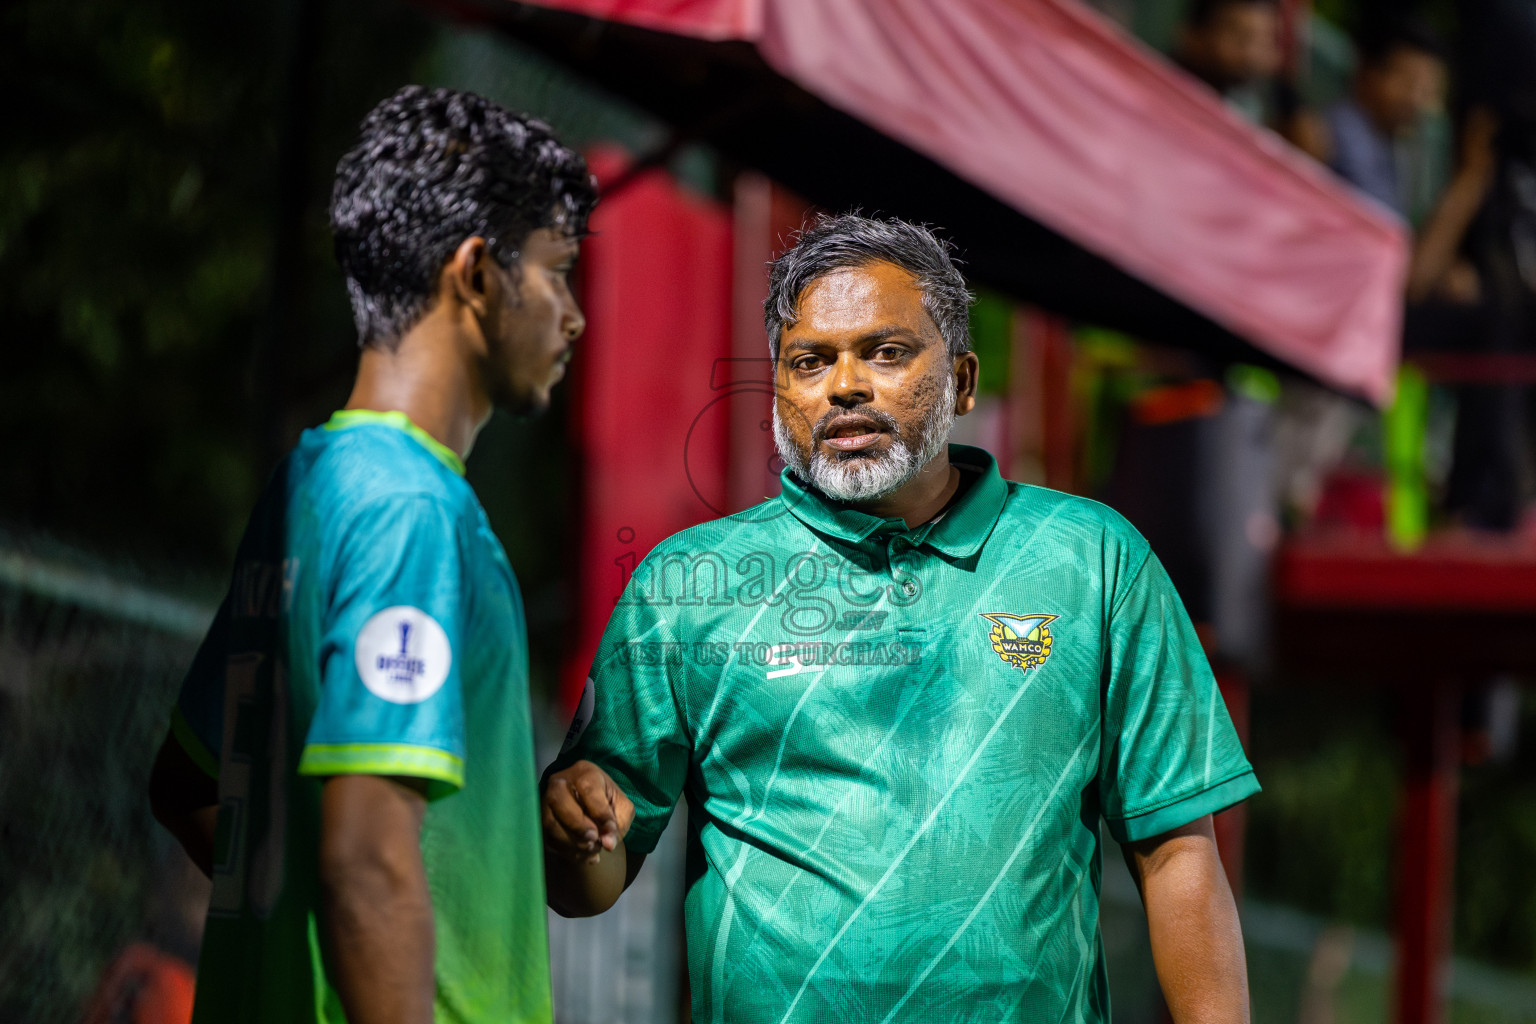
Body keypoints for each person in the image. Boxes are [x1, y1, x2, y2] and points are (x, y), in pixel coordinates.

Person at [542, 215, 1259, 1022]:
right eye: (809, 361)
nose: (843, 385)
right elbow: (585, 890)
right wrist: (573, 829)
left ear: (962, 379)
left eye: (885, 352)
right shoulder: (689, 584)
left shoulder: (1096, 560)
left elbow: (1176, 857)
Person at [147, 85, 595, 1024]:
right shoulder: (411, 509)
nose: (575, 316)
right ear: (476, 274)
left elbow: (189, 783)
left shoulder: (311, 486)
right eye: (558, 272)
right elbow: (367, 855)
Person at [1175, 0, 1322, 153]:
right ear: (1192, 36)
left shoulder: (1265, 108)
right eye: (1239, 38)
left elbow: (1312, 146)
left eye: (1263, 42)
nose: (1249, 55)